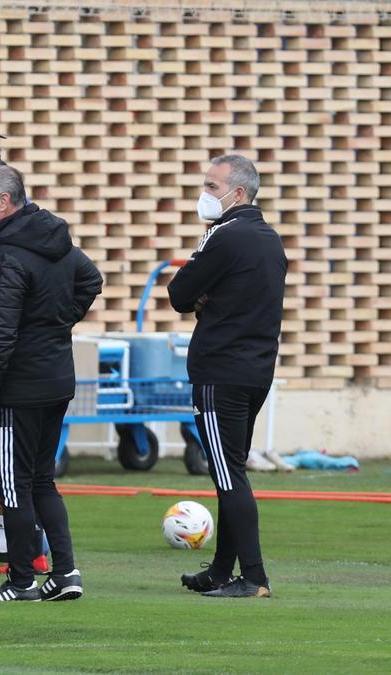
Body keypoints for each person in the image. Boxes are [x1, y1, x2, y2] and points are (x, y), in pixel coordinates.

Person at [0, 165, 102, 602]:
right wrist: (57, 322)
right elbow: (91, 280)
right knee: (42, 481)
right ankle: (66, 573)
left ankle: (21, 579)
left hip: (20, 386)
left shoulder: (9, 254)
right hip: (58, 377)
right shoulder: (54, 240)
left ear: (3, 202)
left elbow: (0, 333)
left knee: (13, 485)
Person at [168, 154, 285, 599]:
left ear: (239, 193)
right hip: (256, 370)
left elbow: (180, 294)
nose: (205, 194)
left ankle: (253, 576)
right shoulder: (269, 239)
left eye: (212, 187)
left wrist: (204, 300)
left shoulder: (225, 236)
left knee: (229, 472)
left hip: (221, 369)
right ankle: (221, 570)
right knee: (229, 469)